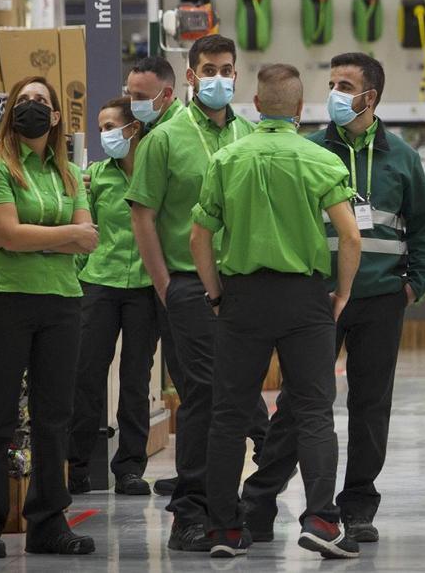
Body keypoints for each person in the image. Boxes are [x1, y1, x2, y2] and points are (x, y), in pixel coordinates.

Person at [241, 53, 425, 544]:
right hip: (318, 300)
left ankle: (358, 505)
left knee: (371, 406)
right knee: (299, 404)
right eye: (330, 83)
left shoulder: (402, 157)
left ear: (370, 97)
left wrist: (416, 281)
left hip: (381, 297)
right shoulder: (309, 149)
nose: (334, 93)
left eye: (344, 85)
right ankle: (261, 494)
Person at [192, 63, 363, 559]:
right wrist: (342, 295)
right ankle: (321, 520)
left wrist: (217, 294)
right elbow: (350, 237)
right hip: (305, 299)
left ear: (257, 105)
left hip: (242, 298)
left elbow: (199, 237)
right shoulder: (319, 160)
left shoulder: (226, 159)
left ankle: (224, 528)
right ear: (301, 109)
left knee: (228, 414)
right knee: (313, 412)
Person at [126, 34, 256, 552]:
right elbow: (143, 214)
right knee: (203, 396)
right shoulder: (165, 138)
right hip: (187, 285)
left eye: (227, 68)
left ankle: (225, 505)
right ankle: (190, 512)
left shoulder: (249, 133)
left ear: (237, 75)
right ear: (192, 75)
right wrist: (165, 285)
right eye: (209, 69)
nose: (218, 77)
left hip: (242, 287)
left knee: (237, 398)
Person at [0, 76, 97, 558]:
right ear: (10, 112)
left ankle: (47, 522)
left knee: (54, 418)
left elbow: (87, 236)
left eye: (42, 102)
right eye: (24, 101)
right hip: (5, 300)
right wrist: (61, 236)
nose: (33, 108)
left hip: (62, 301)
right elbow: (5, 234)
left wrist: (32, 234)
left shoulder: (68, 173)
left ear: (57, 116)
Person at [67, 97, 157, 497]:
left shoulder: (154, 176)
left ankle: (130, 469)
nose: (104, 135)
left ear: (133, 129)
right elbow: (88, 230)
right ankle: (78, 465)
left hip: (143, 286)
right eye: (100, 127)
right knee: (86, 374)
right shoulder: (96, 177)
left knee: (136, 378)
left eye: (109, 126)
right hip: (100, 283)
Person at [123, 56, 185, 498]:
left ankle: (261, 452)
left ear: (166, 94)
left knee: (197, 382)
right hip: (142, 284)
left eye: (140, 97)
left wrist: (166, 287)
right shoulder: (142, 136)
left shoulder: (168, 137)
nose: (132, 104)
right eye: (129, 95)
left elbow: (145, 220)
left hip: (178, 282)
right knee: (139, 376)